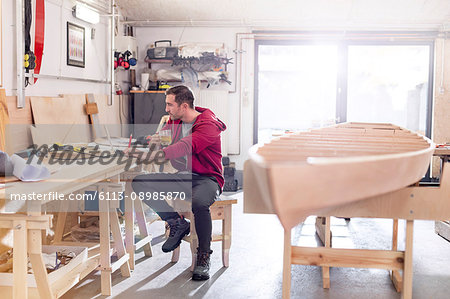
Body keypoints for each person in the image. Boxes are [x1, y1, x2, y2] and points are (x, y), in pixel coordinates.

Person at [126, 85, 226, 281]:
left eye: (170, 104)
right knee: (140, 183)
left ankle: (204, 257)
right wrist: (147, 142)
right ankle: (176, 223)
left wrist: (151, 155)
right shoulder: (175, 121)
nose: (167, 109)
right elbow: (164, 137)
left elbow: (184, 146)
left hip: (208, 179)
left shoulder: (208, 126)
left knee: (199, 203)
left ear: (184, 106)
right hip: (184, 177)